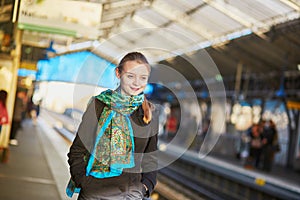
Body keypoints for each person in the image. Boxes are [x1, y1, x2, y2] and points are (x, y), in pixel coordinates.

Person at [66, 52, 159, 200]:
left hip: (131, 195)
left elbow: (151, 158)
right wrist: (84, 182)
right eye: (130, 76)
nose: (136, 83)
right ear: (118, 73)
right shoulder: (99, 105)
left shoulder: (149, 113)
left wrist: (145, 187)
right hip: (94, 193)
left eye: (142, 78)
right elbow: (78, 150)